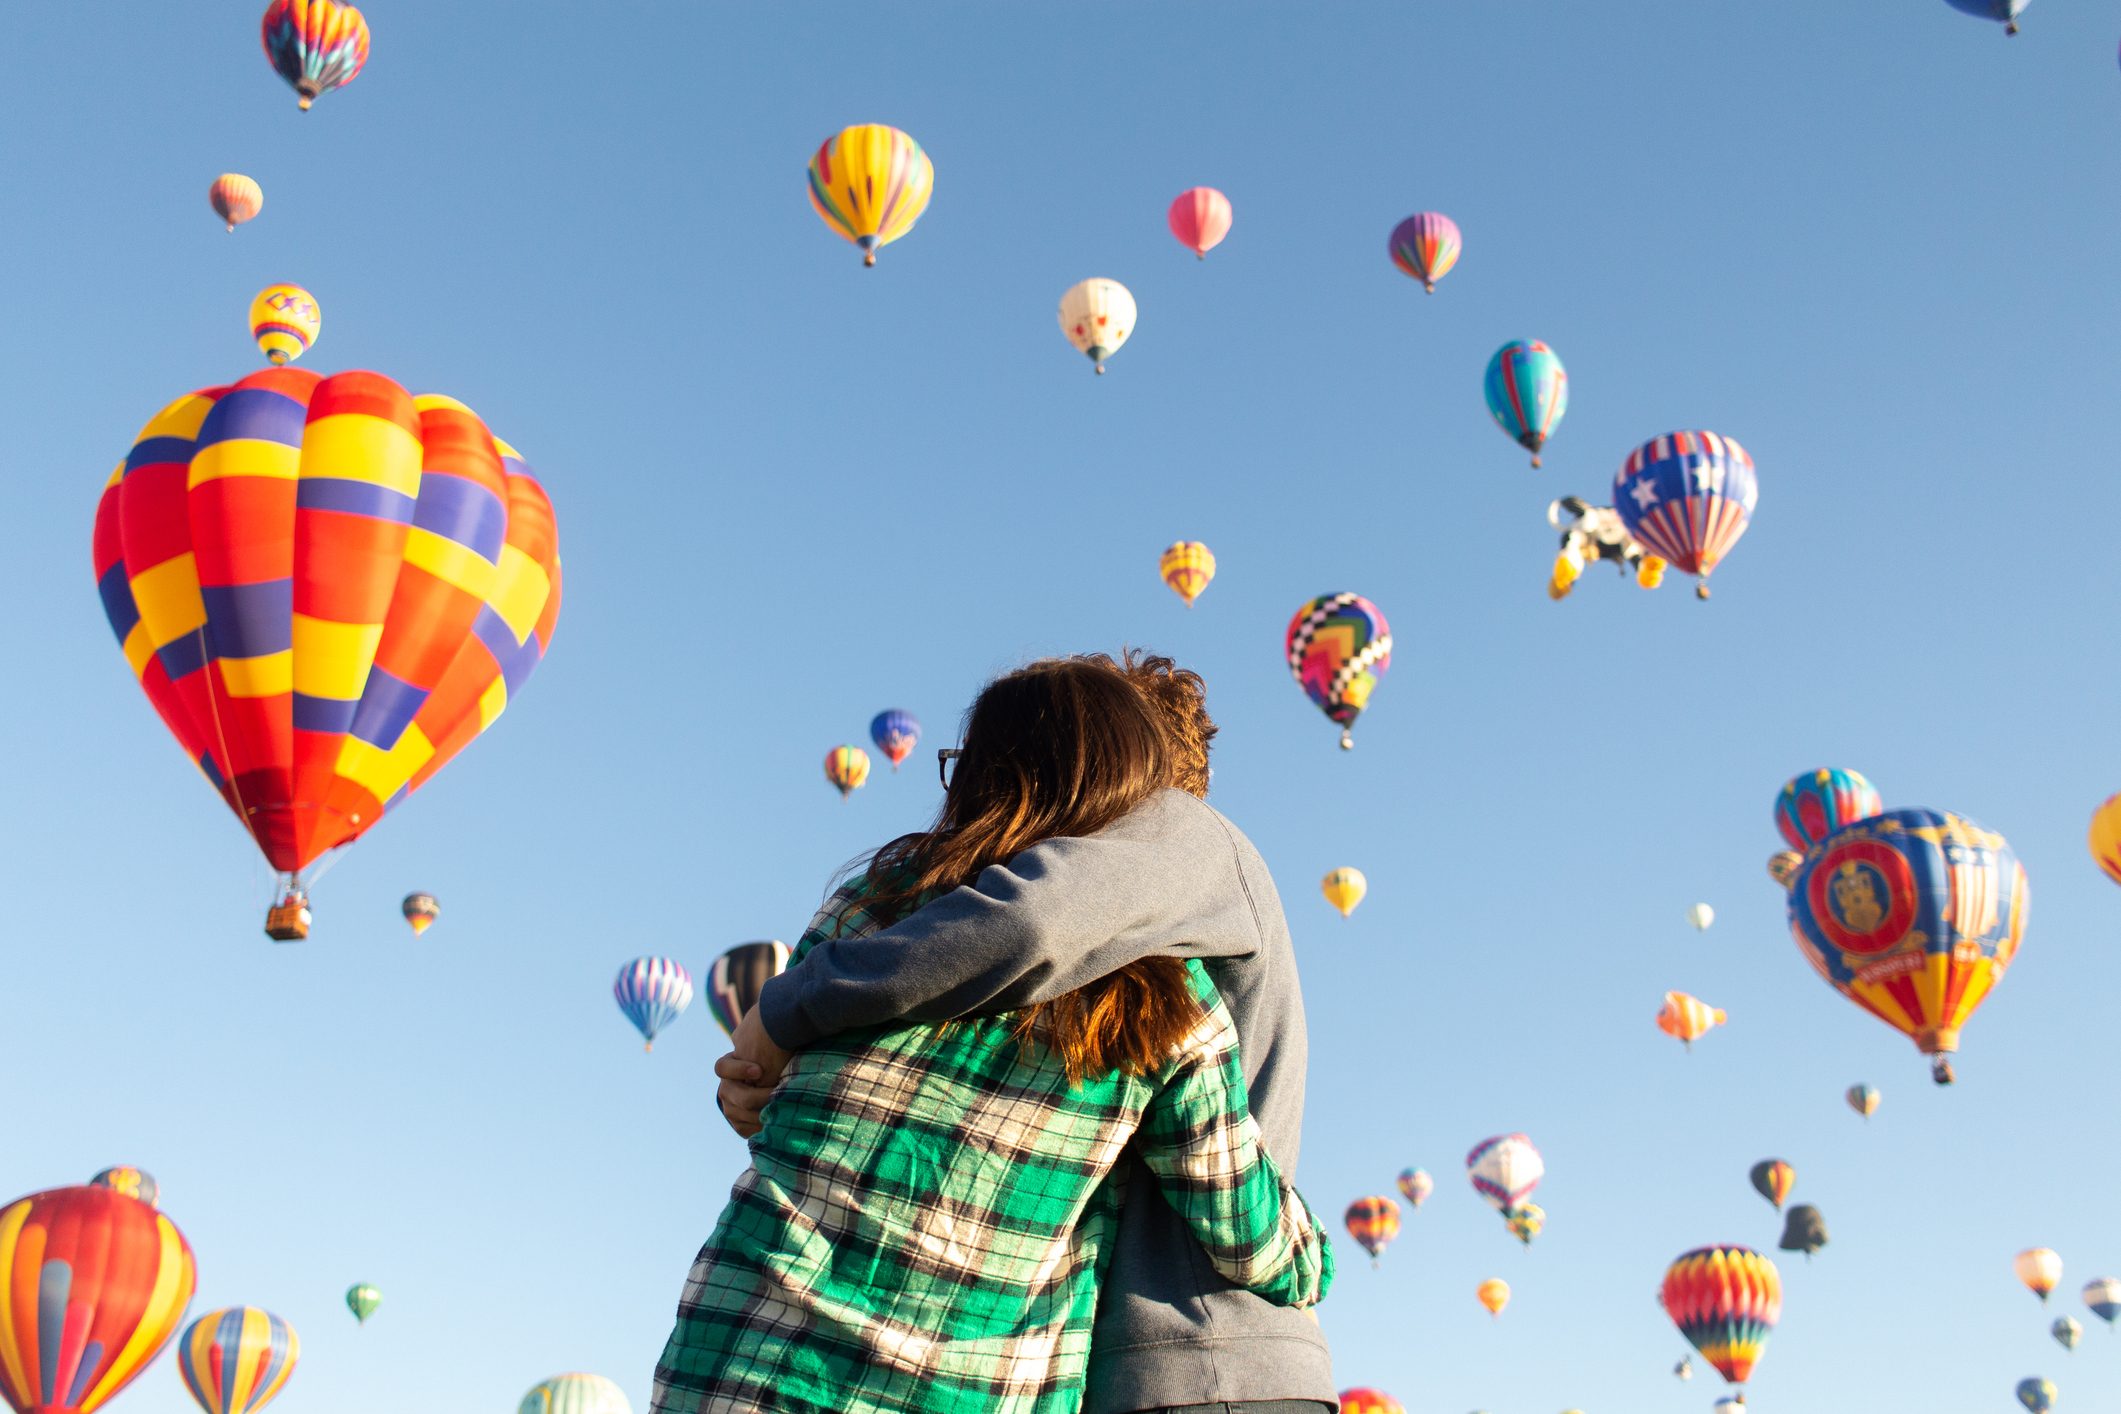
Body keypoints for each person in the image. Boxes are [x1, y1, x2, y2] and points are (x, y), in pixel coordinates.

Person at [653, 655, 1332, 1414]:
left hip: (742, 1358)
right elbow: (1241, 1223)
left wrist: (769, 1033)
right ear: (1131, 786)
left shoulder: (871, 904)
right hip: (967, 1386)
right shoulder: (1163, 1000)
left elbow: (792, 1120)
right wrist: (1311, 1259)